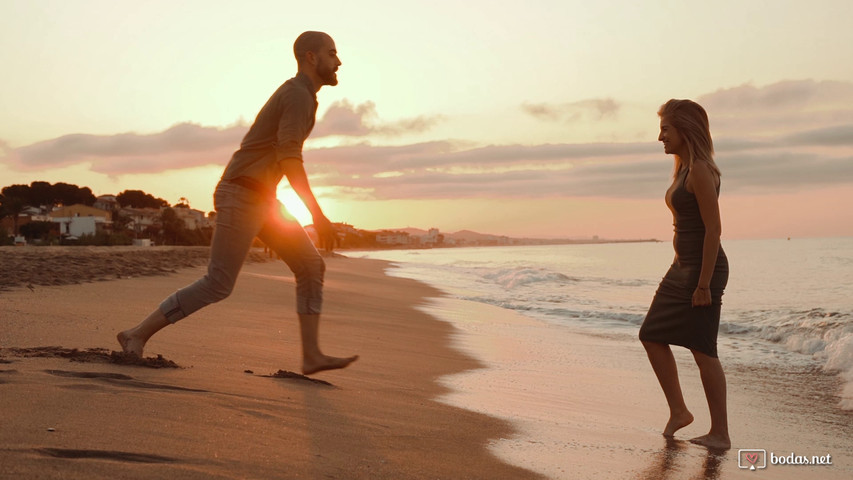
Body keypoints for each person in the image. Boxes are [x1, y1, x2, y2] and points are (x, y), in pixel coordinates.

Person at [117, 31, 358, 376]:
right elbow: (291, 159)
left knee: (310, 266)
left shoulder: (305, 96)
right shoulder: (297, 95)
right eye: (332, 53)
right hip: (242, 194)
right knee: (218, 283)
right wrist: (317, 216)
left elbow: (284, 156)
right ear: (310, 57)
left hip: (263, 199)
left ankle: (312, 356)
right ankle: (136, 335)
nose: (339, 61)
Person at [638, 99, 730, 449]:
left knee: (704, 350)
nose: (660, 136)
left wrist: (704, 283)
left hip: (702, 271)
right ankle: (679, 411)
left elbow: (714, 230)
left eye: (665, 129)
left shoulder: (702, 171)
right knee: (652, 334)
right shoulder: (685, 170)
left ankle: (720, 433)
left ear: (684, 131)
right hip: (682, 268)